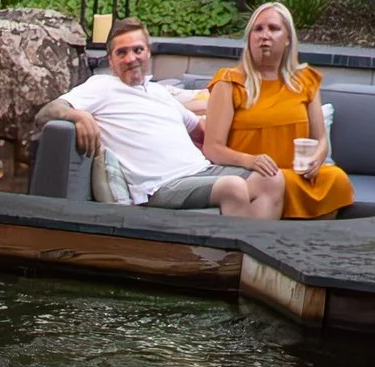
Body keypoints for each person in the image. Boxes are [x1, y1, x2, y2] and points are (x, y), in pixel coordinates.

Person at [44, 16, 283, 217]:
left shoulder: (159, 92)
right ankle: (234, 259)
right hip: (159, 187)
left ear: (148, 53)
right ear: (111, 60)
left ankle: (256, 256)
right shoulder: (101, 86)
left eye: (138, 50)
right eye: (122, 53)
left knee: (272, 178)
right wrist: (78, 115)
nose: (131, 58)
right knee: (233, 187)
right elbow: (47, 111)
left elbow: (202, 130)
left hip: (200, 171)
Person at [202, 2, 353, 220]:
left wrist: (316, 160)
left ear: (288, 38)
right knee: (272, 182)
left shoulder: (305, 80)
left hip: (296, 174)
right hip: (257, 176)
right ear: (249, 38)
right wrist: (250, 161)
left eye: (273, 29)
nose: (264, 35)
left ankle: (310, 248)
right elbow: (213, 148)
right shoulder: (229, 82)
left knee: (336, 179)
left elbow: (320, 139)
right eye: (258, 29)